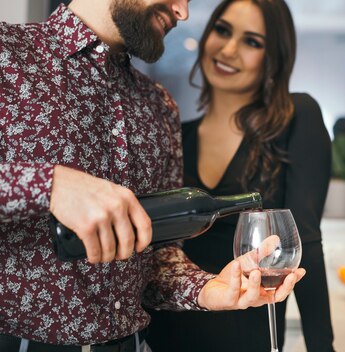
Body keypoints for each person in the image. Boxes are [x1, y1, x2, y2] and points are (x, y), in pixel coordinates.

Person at [0, 1, 305, 351]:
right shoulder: (8, 54)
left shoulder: (158, 106)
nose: (182, 11)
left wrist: (207, 289)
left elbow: (156, 254)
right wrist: (51, 186)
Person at [146, 0, 335, 351]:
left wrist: (322, 348)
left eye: (252, 42)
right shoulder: (172, 135)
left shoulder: (297, 118)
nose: (228, 49)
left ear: (273, 58)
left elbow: (306, 245)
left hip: (248, 337)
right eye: (222, 30)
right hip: (166, 335)